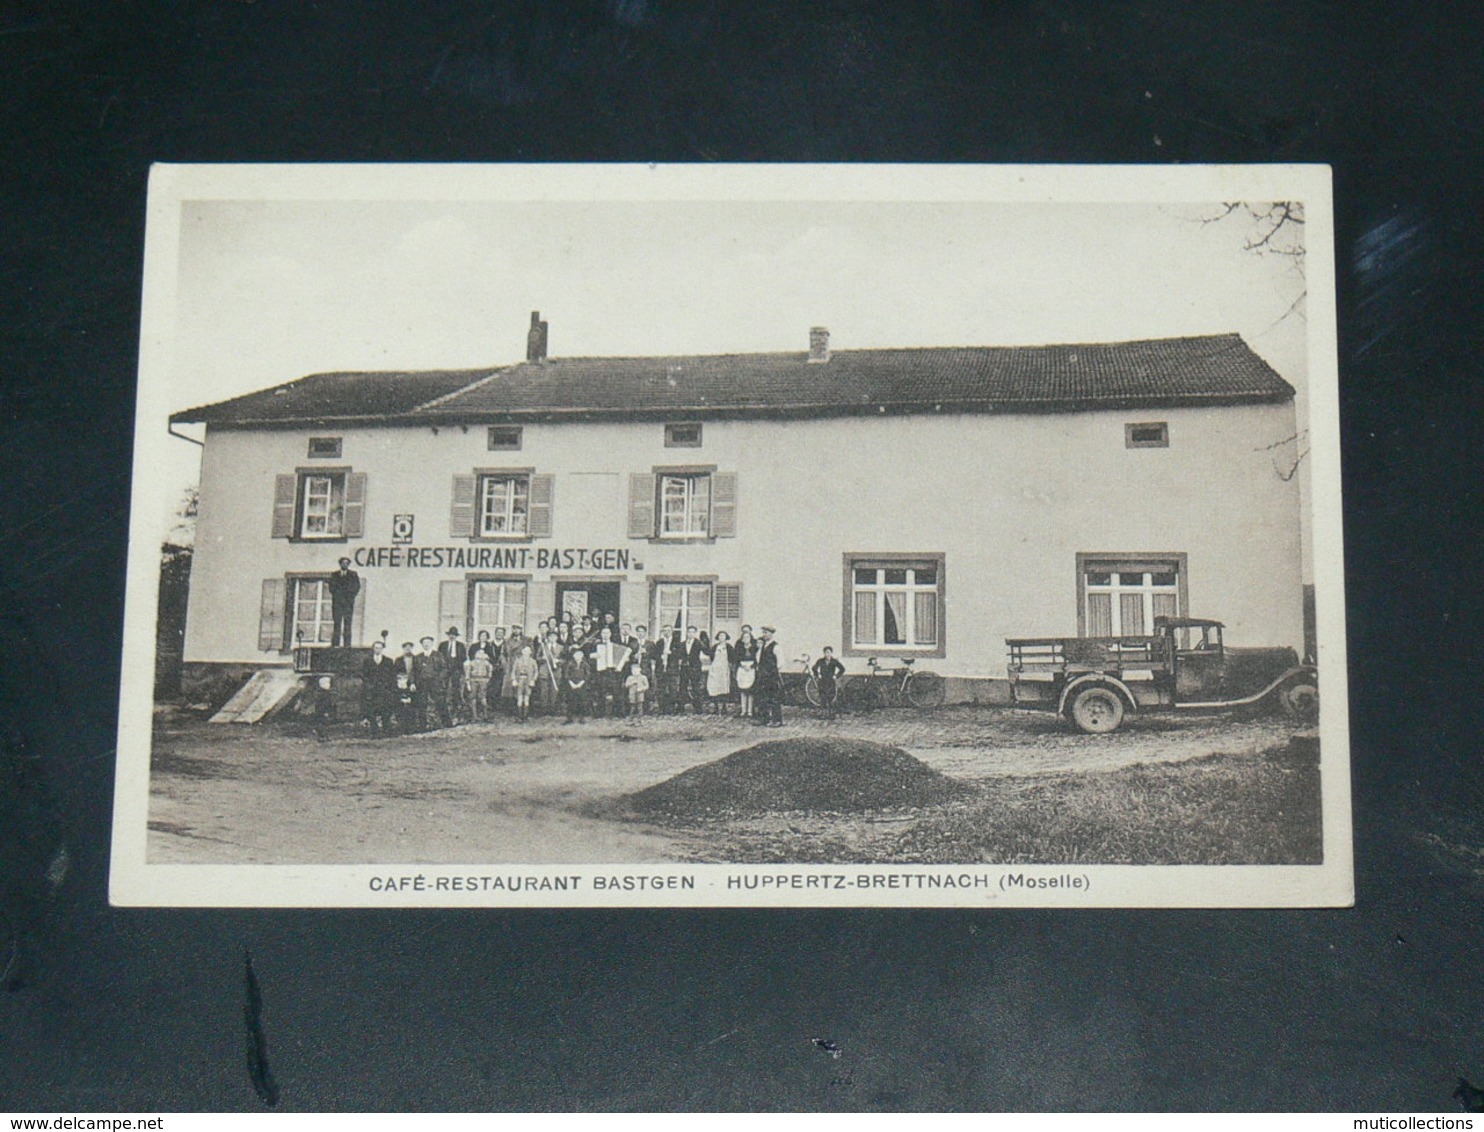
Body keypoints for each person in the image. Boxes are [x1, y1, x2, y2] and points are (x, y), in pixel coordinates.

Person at [359, 639, 397, 736]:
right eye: (376, 648)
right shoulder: (367, 661)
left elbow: (392, 676)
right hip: (372, 691)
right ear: (373, 649)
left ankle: (386, 731)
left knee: (385, 710)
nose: (378, 650)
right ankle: (374, 731)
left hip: (384, 690)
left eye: (380, 648)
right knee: (371, 711)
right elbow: (364, 675)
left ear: (383, 649)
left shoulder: (388, 661)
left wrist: (390, 689)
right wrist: (368, 686)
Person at [591, 627, 629, 717]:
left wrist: (623, 661)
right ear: (601, 634)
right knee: (601, 691)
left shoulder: (615, 644)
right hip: (601, 670)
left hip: (613, 671)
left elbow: (624, 655)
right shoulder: (596, 645)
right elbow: (589, 655)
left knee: (616, 691)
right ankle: (600, 713)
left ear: (610, 634)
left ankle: (618, 713)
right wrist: (594, 656)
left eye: (607, 633)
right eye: (603, 633)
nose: (605, 635)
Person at [417, 635, 450, 729]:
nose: (426, 645)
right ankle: (422, 726)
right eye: (424, 643)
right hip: (423, 683)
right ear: (422, 645)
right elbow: (415, 672)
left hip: (435, 683)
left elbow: (444, 669)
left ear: (432, 644)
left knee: (440, 702)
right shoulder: (418, 657)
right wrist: (413, 682)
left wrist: (439, 679)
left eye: (428, 643)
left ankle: (447, 724)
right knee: (422, 703)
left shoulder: (438, 655)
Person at [327, 557, 361, 647]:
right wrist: (338, 595)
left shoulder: (353, 575)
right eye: (343, 563)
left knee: (348, 624)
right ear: (340, 564)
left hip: (348, 604)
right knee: (337, 623)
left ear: (348, 564)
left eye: (346, 563)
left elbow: (356, 587)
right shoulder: (334, 575)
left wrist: (349, 596)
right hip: (337, 603)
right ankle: (335, 644)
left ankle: (347, 645)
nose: (344, 565)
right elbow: (331, 588)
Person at [754, 626, 784, 727]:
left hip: (772, 676)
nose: (764, 635)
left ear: (771, 634)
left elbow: (780, 662)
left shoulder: (776, 646)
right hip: (763, 676)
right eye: (763, 633)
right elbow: (758, 659)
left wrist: (773, 671)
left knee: (774, 698)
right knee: (763, 698)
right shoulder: (763, 646)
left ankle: (777, 720)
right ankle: (764, 719)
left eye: (765, 632)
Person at [437, 627, 468, 723]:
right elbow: (439, 656)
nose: (452, 636)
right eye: (450, 634)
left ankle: (456, 707)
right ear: (448, 635)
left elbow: (464, 658)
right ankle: (446, 707)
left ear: (456, 636)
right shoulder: (443, 645)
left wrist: (456, 665)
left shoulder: (461, 645)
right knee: (444, 687)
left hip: (456, 669)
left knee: (456, 688)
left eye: (454, 635)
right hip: (445, 669)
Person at [393, 641, 421, 733]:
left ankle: (412, 727)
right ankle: (401, 727)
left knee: (413, 706)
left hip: (414, 685)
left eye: (409, 647)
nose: (408, 649)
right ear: (403, 649)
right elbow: (395, 673)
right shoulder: (398, 660)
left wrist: (414, 683)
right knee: (401, 705)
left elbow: (418, 673)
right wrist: (399, 682)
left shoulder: (416, 659)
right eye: (406, 647)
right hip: (401, 685)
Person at [812, 647, 846, 719]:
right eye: (826, 652)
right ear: (824, 653)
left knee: (831, 697)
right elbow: (814, 668)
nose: (827, 654)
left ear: (831, 653)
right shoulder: (820, 661)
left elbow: (842, 669)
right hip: (823, 681)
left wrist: (836, 676)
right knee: (823, 697)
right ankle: (823, 713)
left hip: (831, 681)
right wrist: (817, 674)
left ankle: (831, 714)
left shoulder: (834, 661)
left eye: (828, 652)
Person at [706, 630, 735, 714]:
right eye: (720, 636)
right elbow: (711, 656)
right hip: (715, 668)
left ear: (726, 637)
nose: (721, 638)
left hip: (724, 669)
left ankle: (724, 707)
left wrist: (730, 665)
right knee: (715, 687)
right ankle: (715, 706)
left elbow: (732, 657)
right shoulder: (715, 647)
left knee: (724, 687)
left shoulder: (729, 647)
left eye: (723, 636)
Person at [499, 625, 526, 713]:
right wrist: (505, 664)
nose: (516, 630)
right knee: (508, 687)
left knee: (520, 686)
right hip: (509, 665)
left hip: (520, 665)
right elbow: (502, 654)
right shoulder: (507, 641)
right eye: (514, 629)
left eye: (518, 629)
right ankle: (509, 709)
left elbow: (530, 653)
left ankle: (519, 710)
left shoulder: (526, 640)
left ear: (521, 630)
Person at [735, 626, 759, 720]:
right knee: (743, 689)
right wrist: (741, 664)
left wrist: (752, 666)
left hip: (751, 669)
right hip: (742, 668)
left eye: (748, 637)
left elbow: (758, 659)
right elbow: (736, 658)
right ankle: (743, 710)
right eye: (744, 637)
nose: (746, 639)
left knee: (750, 690)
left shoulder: (755, 647)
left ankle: (750, 711)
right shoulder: (739, 647)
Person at [463, 648, 494, 722]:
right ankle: (474, 716)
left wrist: (488, 679)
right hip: (473, 680)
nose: (480, 655)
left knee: (483, 698)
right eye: (479, 653)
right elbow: (467, 673)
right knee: (473, 698)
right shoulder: (471, 663)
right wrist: (468, 684)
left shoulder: (486, 663)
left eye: (482, 653)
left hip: (483, 680)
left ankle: (485, 716)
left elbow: (490, 671)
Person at [510, 644, 539, 722]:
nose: (526, 652)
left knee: (527, 698)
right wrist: (514, 680)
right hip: (520, 680)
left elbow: (536, 672)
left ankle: (525, 716)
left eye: (528, 651)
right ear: (522, 652)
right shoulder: (517, 660)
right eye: (525, 651)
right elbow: (513, 671)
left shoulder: (533, 661)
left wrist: (533, 680)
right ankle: (519, 716)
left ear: (530, 652)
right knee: (519, 697)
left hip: (528, 681)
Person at [561, 647, 590, 723]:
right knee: (571, 701)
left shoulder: (585, 664)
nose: (577, 657)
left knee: (582, 701)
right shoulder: (570, 664)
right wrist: (571, 683)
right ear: (573, 656)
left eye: (579, 655)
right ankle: (569, 718)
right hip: (571, 685)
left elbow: (587, 675)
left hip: (582, 685)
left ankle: (582, 718)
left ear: (582, 656)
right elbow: (566, 674)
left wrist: (581, 683)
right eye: (576, 655)